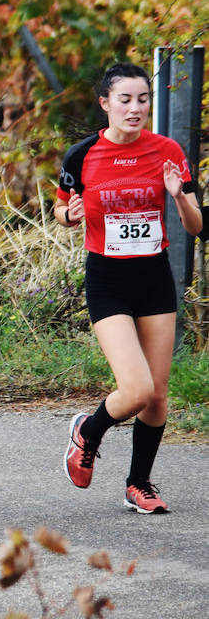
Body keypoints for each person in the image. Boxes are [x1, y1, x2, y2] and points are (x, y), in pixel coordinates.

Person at [56, 62, 201, 515]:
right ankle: (90, 431)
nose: (135, 108)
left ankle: (139, 484)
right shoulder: (81, 156)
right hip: (108, 280)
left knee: (157, 395)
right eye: (125, 99)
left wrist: (178, 195)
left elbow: (198, 225)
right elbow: (60, 212)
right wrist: (70, 216)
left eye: (143, 99)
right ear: (106, 104)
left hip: (153, 278)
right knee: (135, 389)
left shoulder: (168, 151)